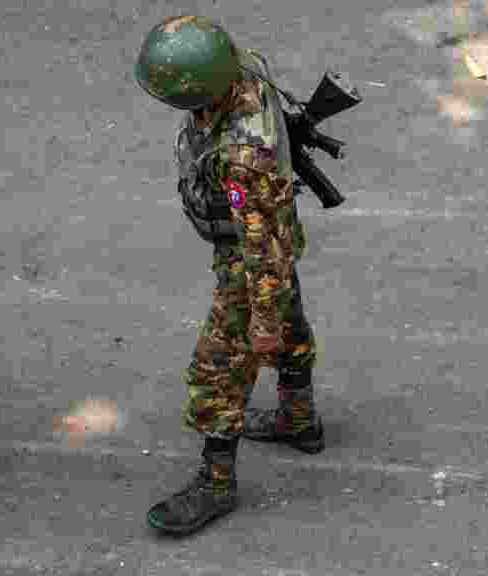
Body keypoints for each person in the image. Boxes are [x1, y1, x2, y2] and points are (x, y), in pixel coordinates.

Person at [133, 16, 324, 536]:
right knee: (289, 317)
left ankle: (216, 484)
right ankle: (298, 417)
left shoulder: (242, 162)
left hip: (250, 256)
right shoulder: (241, 68)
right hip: (274, 232)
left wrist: (261, 318)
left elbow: (261, 252)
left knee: (219, 369)